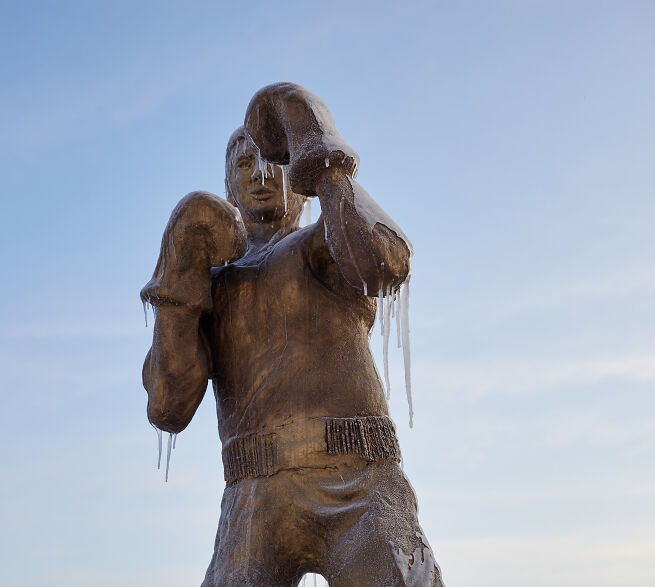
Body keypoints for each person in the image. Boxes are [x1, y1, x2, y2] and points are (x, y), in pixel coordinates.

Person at [141, 83, 444, 586]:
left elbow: (386, 262)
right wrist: (178, 270)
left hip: (359, 477)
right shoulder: (213, 286)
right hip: (252, 493)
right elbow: (167, 409)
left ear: (294, 170)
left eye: (272, 162)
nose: (260, 175)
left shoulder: (326, 242)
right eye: (244, 165)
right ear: (228, 186)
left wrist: (319, 149)